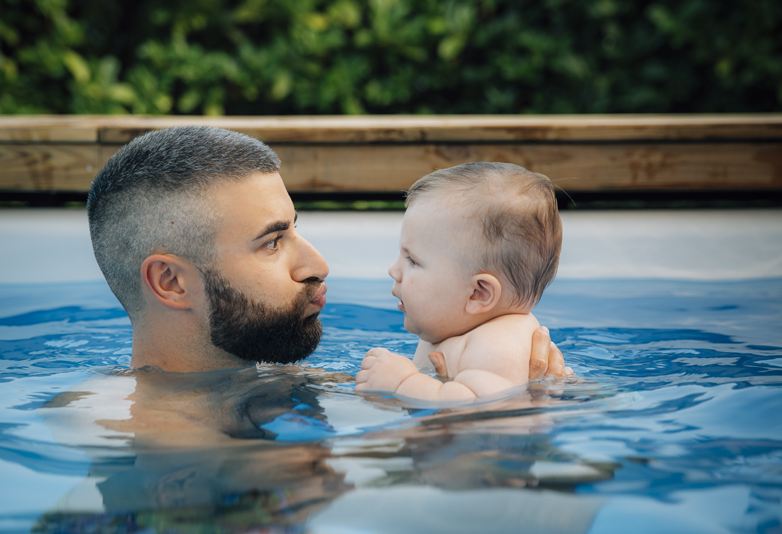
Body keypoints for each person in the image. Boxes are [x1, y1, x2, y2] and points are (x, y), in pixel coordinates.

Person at [87, 126, 567, 379]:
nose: (317, 266)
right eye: (273, 242)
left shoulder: (292, 384)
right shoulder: (118, 437)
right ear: (171, 282)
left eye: (296, 229)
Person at [355, 162, 565, 400]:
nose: (394, 270)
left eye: (412, 261)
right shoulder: (454, 329)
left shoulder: (499, 342)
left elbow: (480, 406)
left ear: (479, 293)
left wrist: (403, 382)